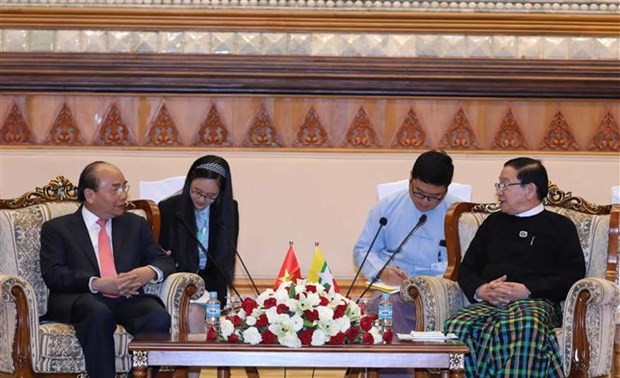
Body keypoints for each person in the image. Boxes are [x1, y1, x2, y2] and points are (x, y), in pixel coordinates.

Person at [444, 157, 585, 377]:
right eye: (498, 185)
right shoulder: (492, 223)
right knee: (457, 326)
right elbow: (466, 268)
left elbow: (573, 275)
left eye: (504, 184)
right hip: (489, 303)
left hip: (535, 302)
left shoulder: (560, 227)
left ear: (529, 189)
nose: (499, 191)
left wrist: (527, 289)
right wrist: (482, 290)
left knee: (525, 325)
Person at [40, 161, 176, 378]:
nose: (123, 195)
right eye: (115, 189)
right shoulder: (57, 229)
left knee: (157, 317)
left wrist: (148, 272)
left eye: (124, 186)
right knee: (98, 312)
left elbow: (164, 260)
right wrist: (97, 283)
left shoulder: (135, 224)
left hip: (127, 299)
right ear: (90, 194)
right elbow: (53, 273)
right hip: (82, 298)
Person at [353, 149, 456, 334]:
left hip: (438, 292)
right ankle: (396, 362)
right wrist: (382, 271)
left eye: (434, 197)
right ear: (410, 179)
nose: (425, 202)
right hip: (393, 288)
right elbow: (363, 249)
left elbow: (466, 264)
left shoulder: (457, 215)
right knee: (385, 306)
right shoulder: (387, 207)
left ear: (446, 190)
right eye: (418, 193)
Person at [158, 155, 239, 333]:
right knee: (193, 311)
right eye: (196, 192)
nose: (202, 200)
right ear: (189, 184)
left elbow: (224, 258)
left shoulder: (228, 210)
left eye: (210, 196)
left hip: (213, 285)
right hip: (180, 284)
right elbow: (164, 255)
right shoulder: (169, 208)